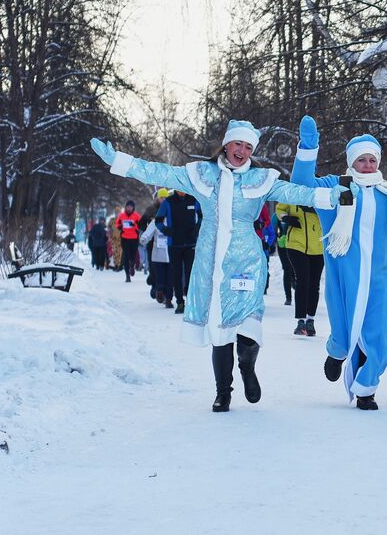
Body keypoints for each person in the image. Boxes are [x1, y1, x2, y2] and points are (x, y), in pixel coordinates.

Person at [90, 120, 346, 413]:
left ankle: (247, 367)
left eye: (249, 147)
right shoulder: (202, 174)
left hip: (247, 259)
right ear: (226, 144)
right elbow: (160, 172)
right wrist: (119, 161)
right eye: (238, 144)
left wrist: (331, 195)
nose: (242, 151)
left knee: (249, 321)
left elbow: (293, 193)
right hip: (212, 261)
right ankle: (223, 391)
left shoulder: (260, 179)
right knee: (220, 326)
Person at [290, 116, 387, 410]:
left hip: (377, 278)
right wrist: (307, 150)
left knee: (379, 333)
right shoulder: (336, 186)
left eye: (372, 160)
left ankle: (367, 389)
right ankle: (338, 351)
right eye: (362, 160)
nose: (367, 165)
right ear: (352, 162)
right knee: (343, 327)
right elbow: (300, 187)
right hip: (344, 275)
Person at [275, 203, 324, 337]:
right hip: (295, 244)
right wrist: (285, 218)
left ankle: (310, 320)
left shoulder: (318, 192)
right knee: (302, 280)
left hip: (318, 245)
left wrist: (316, 209)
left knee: (314, 284)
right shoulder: (293, 193)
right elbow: (279, 209)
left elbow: (331, 210)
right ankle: (301, 321)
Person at [155, 190, 202, 314]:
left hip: (190, 243)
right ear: (175, 189)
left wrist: (197, 229)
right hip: (174, 244)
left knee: (190, 273)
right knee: (176, 274)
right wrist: (166, 230)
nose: (181, 191)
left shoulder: (193, 200)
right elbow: (158, 221)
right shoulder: (168, 202)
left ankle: (190, 300)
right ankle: (180, 302)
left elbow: (203, 216)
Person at [140, 192, 174, 309]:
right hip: (157, 253)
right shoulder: (155, 222)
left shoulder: (173, 221)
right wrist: (144, 239)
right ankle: (160, 292)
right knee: (160, 276)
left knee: (170, 278)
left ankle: (168, 298)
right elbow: (147, 232)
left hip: (170, 253)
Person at [273, 214, 295, 307]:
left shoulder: (294, 211)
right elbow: (272, 227)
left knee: (295, 270)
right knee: (287, 269)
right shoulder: (276, 215)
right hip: (282, 245)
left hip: (295, 245)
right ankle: (288, 298)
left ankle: (294, 284)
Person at [116, 201, 141, 282]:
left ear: (133, 208)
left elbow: (140, 225)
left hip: (134, 238)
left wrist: (135, 226)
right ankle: (127, 275)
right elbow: (117, 224)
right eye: (128, 207)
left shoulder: (136, 216)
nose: (129, 208)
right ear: (126, 207)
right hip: (125, 238)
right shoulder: (121, 215)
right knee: (126, 256)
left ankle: (132, 266)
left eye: (131, 207)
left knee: (132, 256)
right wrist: (121, 226)